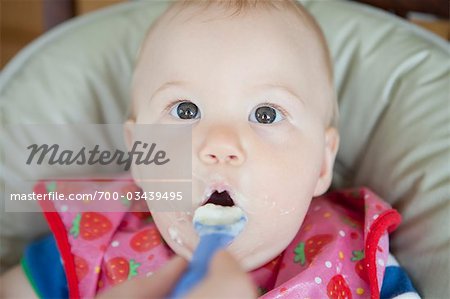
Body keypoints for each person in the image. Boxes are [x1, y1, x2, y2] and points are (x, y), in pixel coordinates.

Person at [0, 0, 419, 298]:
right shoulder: (92, 241)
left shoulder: (358, 259)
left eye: (267, 114)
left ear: (323, 163)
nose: (219, 144)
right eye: (185, 110)